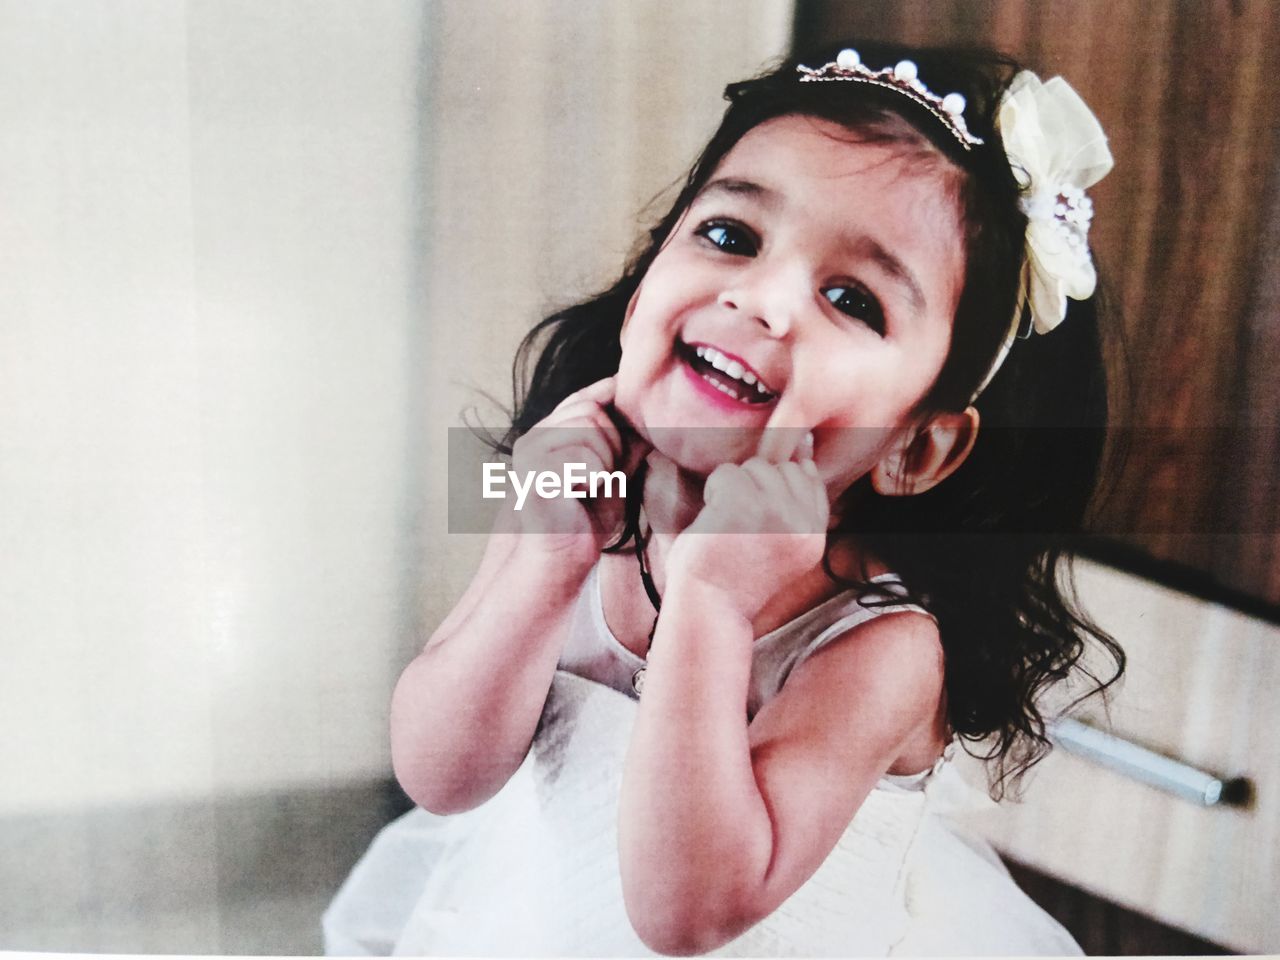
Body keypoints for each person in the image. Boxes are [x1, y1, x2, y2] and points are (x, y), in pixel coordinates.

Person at [324, 39, 1123, 957]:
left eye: (851, 299)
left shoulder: (883, 647)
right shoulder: (571, 490)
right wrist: (543, 568)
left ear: (917, 444)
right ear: (641, 295)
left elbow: (688, 912)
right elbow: (441, 776)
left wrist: (710, 603)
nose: (763, 299)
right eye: (732, 237)